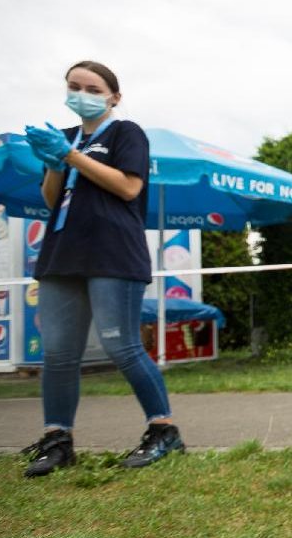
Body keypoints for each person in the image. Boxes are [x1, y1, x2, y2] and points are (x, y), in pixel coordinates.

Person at [19, 60, 183, 478]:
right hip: (62, 254)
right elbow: (50, 197)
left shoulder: (127, 133)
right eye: (73, 86)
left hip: (113, 253)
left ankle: (163, 429)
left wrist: (71, 155)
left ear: (114, 96)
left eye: (92, 87)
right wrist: (56, 160)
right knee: (58, 353)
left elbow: (129, 187)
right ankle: (57, 440)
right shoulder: (65, 137)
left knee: (121, 346)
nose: (81, 93)